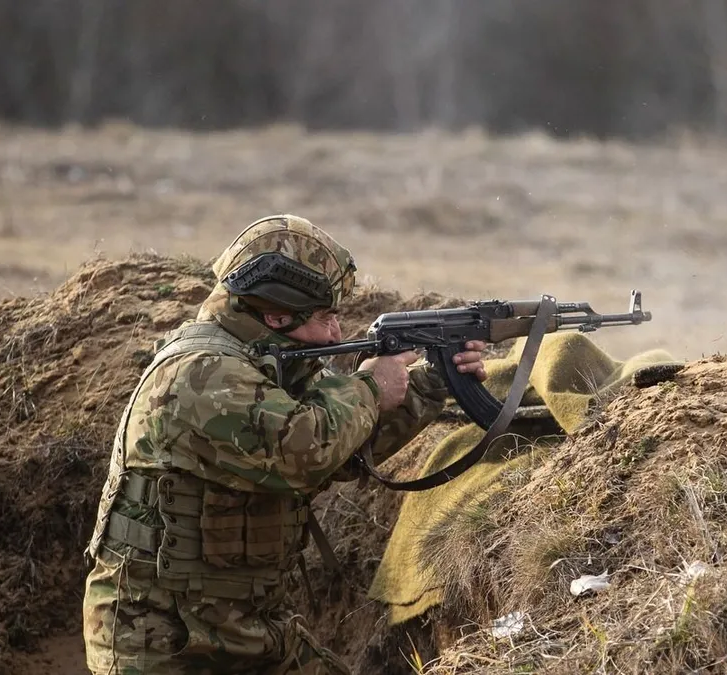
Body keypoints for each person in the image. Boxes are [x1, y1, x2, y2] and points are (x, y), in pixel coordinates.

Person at [81, 214, 487, 674]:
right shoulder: (201, 375)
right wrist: (370, 388)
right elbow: (306, 452)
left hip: (246, 632)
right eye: (326, 317)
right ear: (275, 314)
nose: (336, 332)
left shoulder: (265, 363)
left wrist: (432, 382)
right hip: (162, 644)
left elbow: (345, 450)